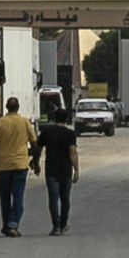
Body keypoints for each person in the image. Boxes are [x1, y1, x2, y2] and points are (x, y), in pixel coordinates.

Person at [0, 87, 36, 233]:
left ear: (6, 108)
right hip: (20, 165)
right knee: (18, 196)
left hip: (3, 165)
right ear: (18, 107)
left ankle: (7, 224)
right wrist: (34, 159)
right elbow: (35, 143)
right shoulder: (25, 122)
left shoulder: (0, 123)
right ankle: (12, 224)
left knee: (5, 198)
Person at [38, 83, 80, 232]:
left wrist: (35, 163)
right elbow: (73, 152)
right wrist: (76, 169)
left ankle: (55, 226)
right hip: (65, 170)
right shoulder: (70, 134)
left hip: (51, 170)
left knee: (53, 199)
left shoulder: (47, 132)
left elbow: (38, 148)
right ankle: (64, 223)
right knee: (65, 198)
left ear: (54, 118)